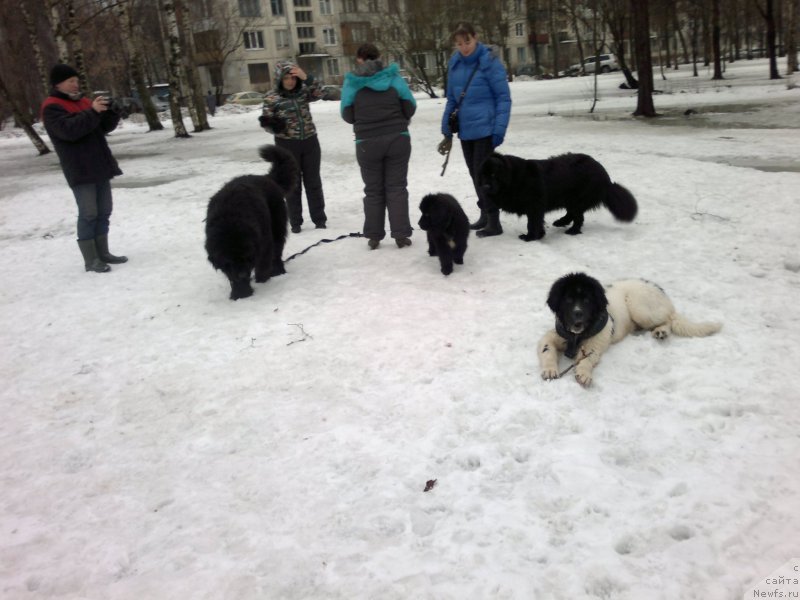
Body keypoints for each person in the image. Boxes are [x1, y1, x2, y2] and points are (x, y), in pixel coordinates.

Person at [40, 63, 127, 273]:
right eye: (70, 81)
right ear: (58, 84)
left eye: (76, 81)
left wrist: (112, 113)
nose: (75, 84)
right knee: (89, 213)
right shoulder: (52, 106)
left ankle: (103, 253)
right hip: (79, 168)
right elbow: (69, 131)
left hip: (99, 165)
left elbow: (101, 128)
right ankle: (91, 260)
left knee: (104, 211)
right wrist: (92, 111)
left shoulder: (84, 102)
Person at [341, 43, 416, 250]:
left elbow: (347, 115)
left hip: (367, 143)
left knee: (373, 190)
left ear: (359, 59)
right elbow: (409, 107)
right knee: (397, 187)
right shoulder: (393, 77)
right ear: (379, 57)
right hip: (397, 139)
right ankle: (401, 235)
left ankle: (374, 237)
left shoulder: (352, 83)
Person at [439, 23, 511, 237]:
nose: (464, 47)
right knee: (474, 174)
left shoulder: (489, 62)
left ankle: (494, 221)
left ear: (476, 37)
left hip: (486, 129)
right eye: (459, 43)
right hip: (466, 130)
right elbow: (452, 99)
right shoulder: (455, 64)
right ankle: (486, 214)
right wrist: (446, 126)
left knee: (485, 176)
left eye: (467, 42)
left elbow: (503, 97)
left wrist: (499, 128)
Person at [259, 61, 327, 233]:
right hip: (286, 145)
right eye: (286, 78)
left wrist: (307, 78)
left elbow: (321, 93)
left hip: (310, 142)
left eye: (293, 78)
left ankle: (319, 219)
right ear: (280, 79)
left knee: (313, 182)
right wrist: (276, 126)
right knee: (292, 184)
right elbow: (265, 122)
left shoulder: (304, 92)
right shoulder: (271, 97)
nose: (290, 81)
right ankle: (295, 222)